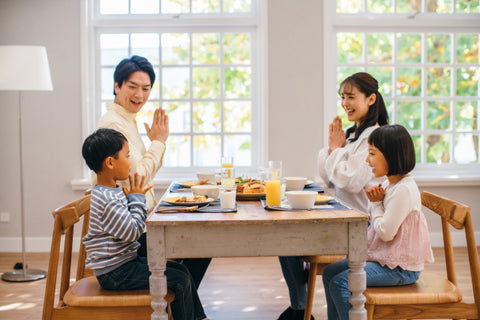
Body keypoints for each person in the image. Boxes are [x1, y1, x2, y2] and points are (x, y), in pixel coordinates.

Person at [277, 72, 388, 320]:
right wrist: (332, 148)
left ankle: (298, 308)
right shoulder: (353, 135)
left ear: (371, 99)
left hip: (360, 225)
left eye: (351, 97)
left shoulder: (374, 137)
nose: (345, 103)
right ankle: (299, 306)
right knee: (284, 237)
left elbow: (348, 181)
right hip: (341, 217)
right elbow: (329, 178)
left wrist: (336, 150)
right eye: (342, 97)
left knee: (286, 239)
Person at [95, 55, 211, 288]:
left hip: (143, 220)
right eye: (132, 87)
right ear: (116, 86)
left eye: (146, 88)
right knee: (203, 243)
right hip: (133, 234)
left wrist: (156, 143)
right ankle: (180, 306)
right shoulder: (114, 125)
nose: (139, 95)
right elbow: (137, 179)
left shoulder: (127, 121)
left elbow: (140, 175)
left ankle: (180, 305)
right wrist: (158, 142)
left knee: (202, 242)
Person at [82, 128, 211, 320]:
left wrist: (133, 199)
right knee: (180, 279)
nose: (130, 160)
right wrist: (137, 199)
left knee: (182, 271)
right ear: (110, 162)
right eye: (127, 156)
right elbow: (133, 232)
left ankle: (199, 317)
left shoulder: (110, 191)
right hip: (116, 273)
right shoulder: (108, 199)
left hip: (123, 262)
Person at [322, 124, 434, 320]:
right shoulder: (389, 184)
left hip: (401, 269)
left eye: (372, 153)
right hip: (387, 260)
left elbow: (385, 232)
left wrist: (375, 205)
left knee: (340, 283)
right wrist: (375, 204)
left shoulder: (403, 191)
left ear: (391, 155)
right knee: (330, 272)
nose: (367, 159)